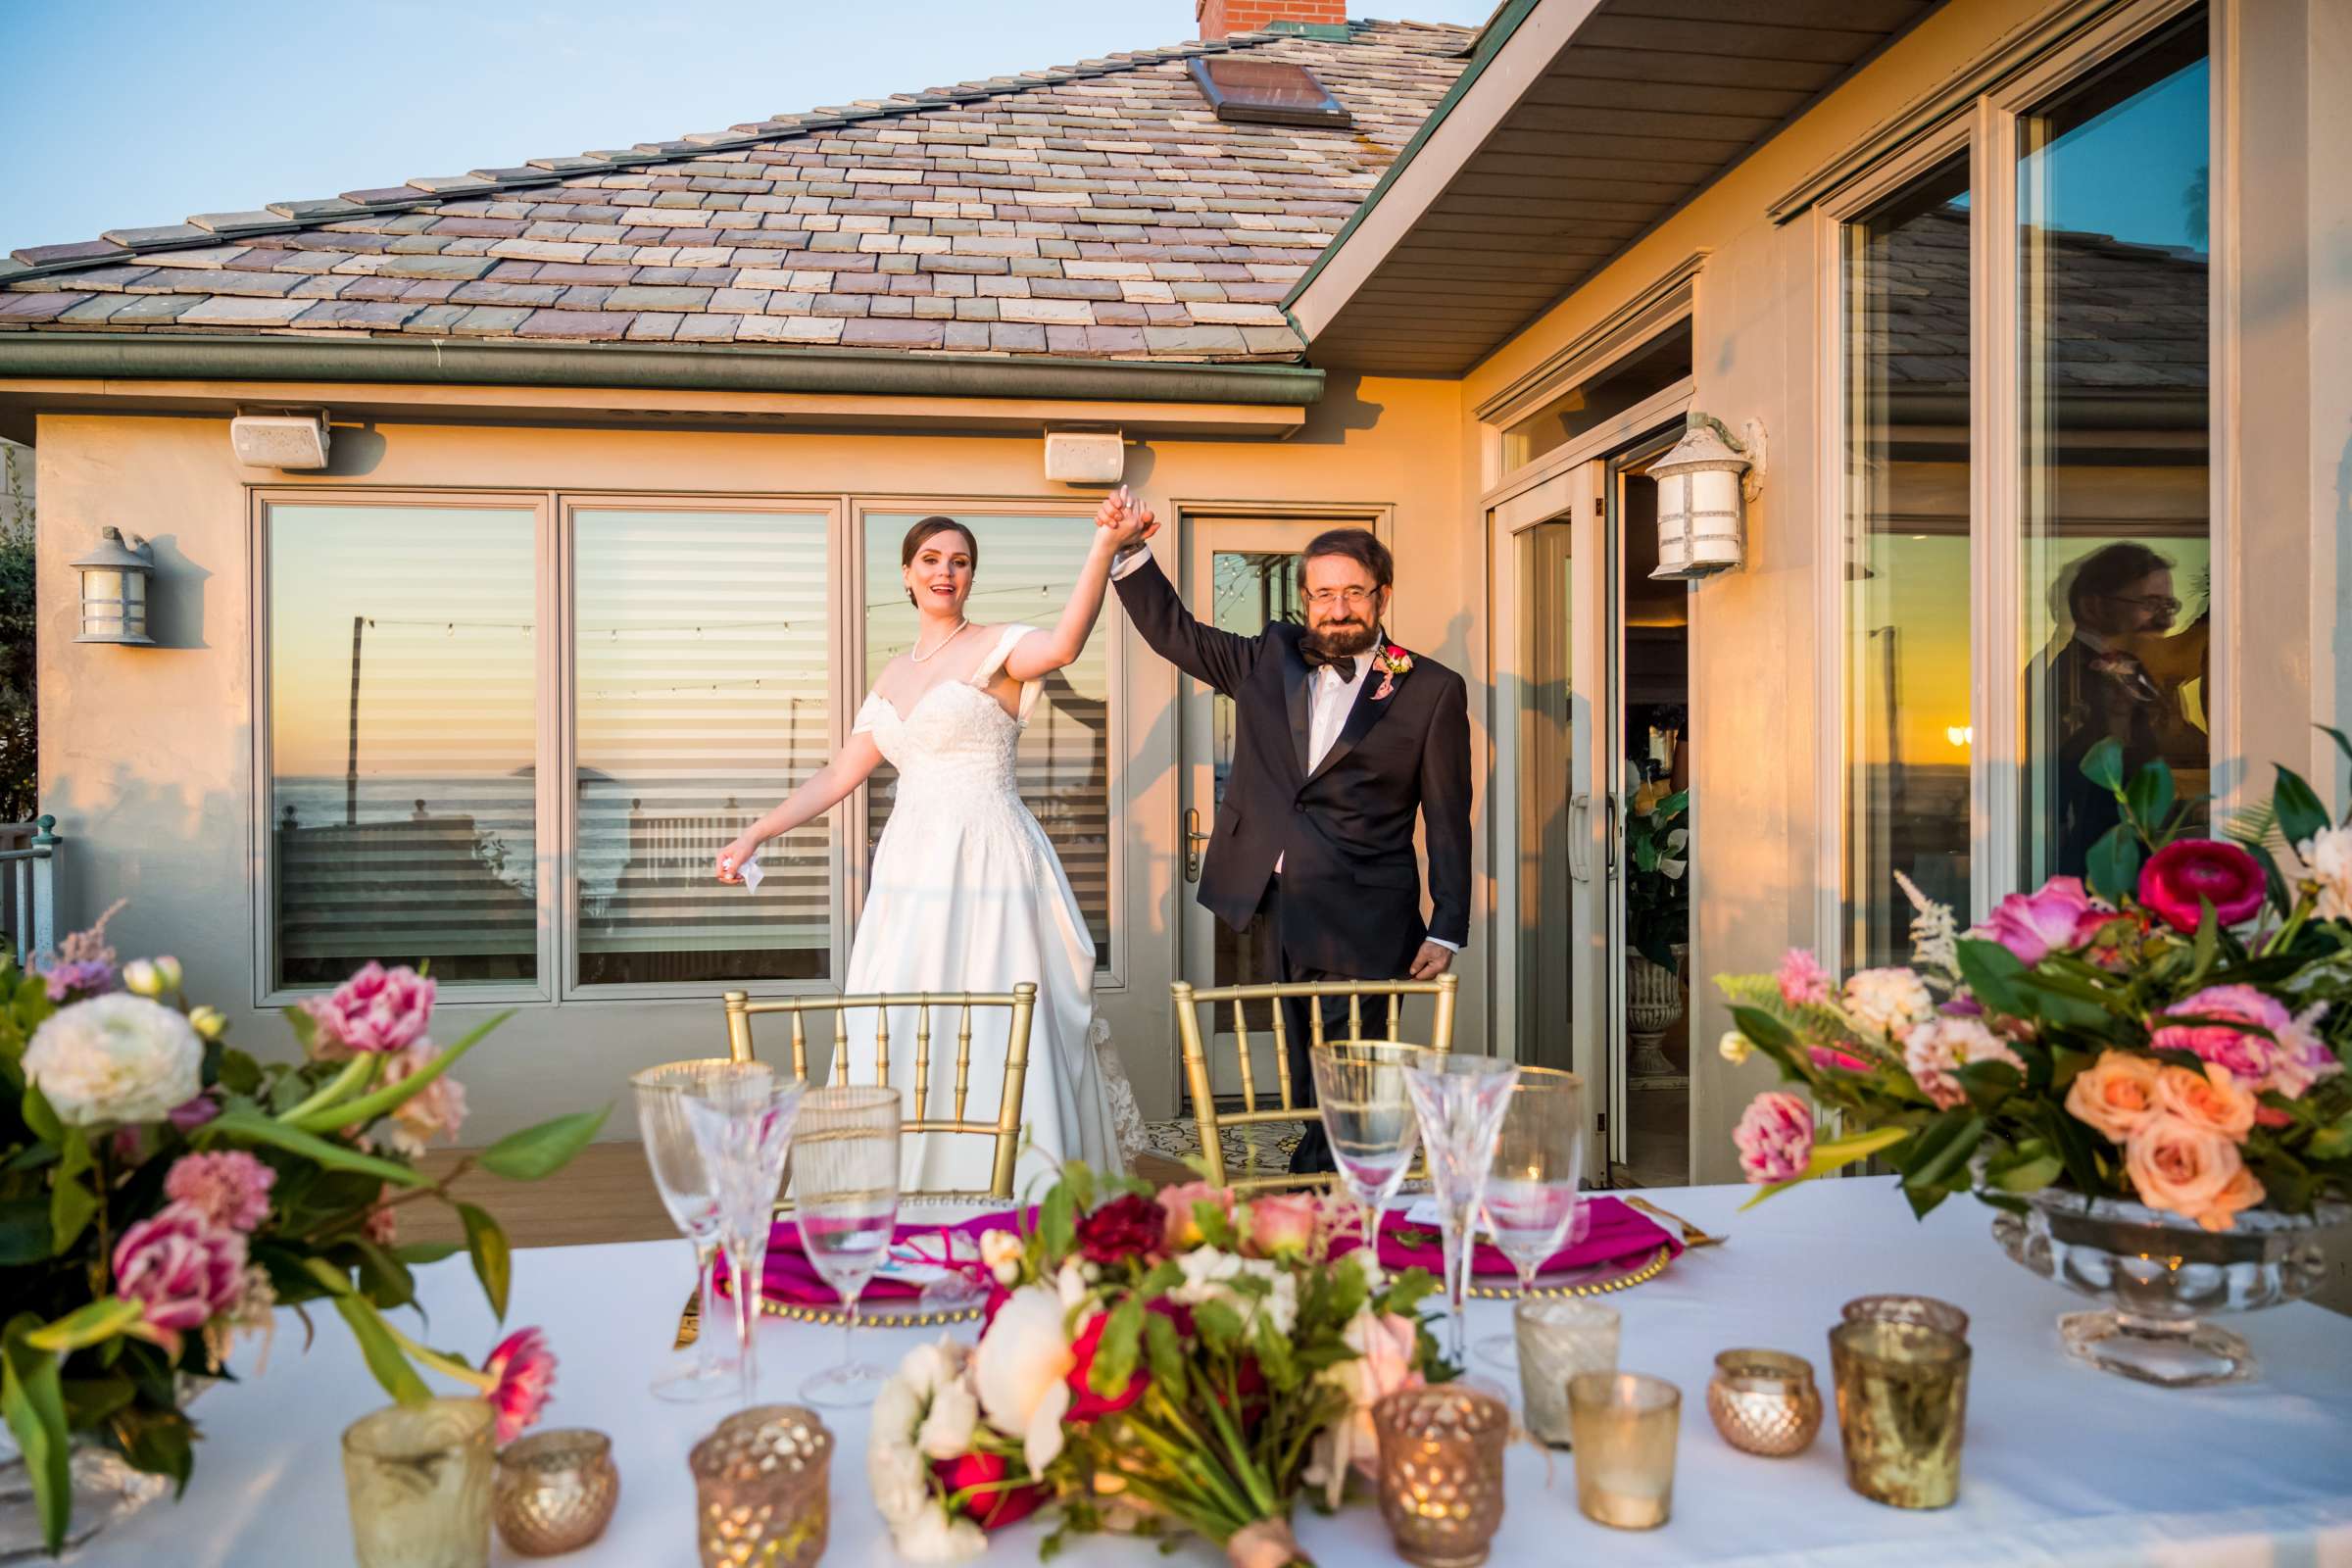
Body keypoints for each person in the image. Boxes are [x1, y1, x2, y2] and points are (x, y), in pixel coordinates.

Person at [715, 515, 1145, 1194]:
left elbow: (1064, 644)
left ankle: (1015, 1187)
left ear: (971, 575)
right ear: (908, 574)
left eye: (961, 561)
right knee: (900, 1018)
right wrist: (758, 832)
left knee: (995, 1014)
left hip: (988, 863)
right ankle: (891, 1187)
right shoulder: (892, 673)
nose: (946, 571)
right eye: (931, 559)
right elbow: (838, 775)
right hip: (910, 873)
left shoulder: (999, 647)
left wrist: (1103, 546)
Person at [1099, 491, 1471, 1174]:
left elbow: (1447, 813)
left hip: (1366, 912)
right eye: (1324, 593)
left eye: (1353, 592)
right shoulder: (1270, 659)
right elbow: (1176, 633)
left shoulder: (1431, 688)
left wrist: (1447, 924)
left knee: (1353, 1070)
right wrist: (1129, 549)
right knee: (1301, 1067)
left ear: (1381, 595)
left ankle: (1322, 1198)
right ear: (1305, 599)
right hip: (1271, 900)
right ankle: (1330, 1186)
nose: (1338, 607)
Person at [2044, 541, 2207, 875]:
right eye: (2151, 604)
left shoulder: (2133, 667)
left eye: (2169, 606)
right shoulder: (2070, 678)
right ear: (2093, 607)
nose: (2167, 622)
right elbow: (2086, 787)